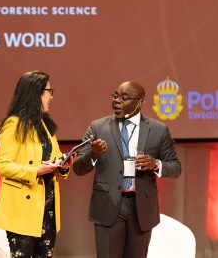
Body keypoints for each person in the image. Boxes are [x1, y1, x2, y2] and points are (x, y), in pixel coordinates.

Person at [73, 81, 181, 258]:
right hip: (108, 206)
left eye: (124, 98)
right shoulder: (98, 127)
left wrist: (156, 164)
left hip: (141, 209)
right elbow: (77, 167)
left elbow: (176, 167)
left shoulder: (158, 130)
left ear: (139, 102)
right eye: (115, 96)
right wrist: (93, 154)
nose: (116, 101)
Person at [0, 71, 75, 258]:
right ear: (35, 93)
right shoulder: (13, 124)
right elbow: (3, 165)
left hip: (47, 209)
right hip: (23, 210)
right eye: (48, 91)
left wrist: (63, 164)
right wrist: (35, 171)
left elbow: (53, 156)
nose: (51, 96)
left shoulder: (44, 124)